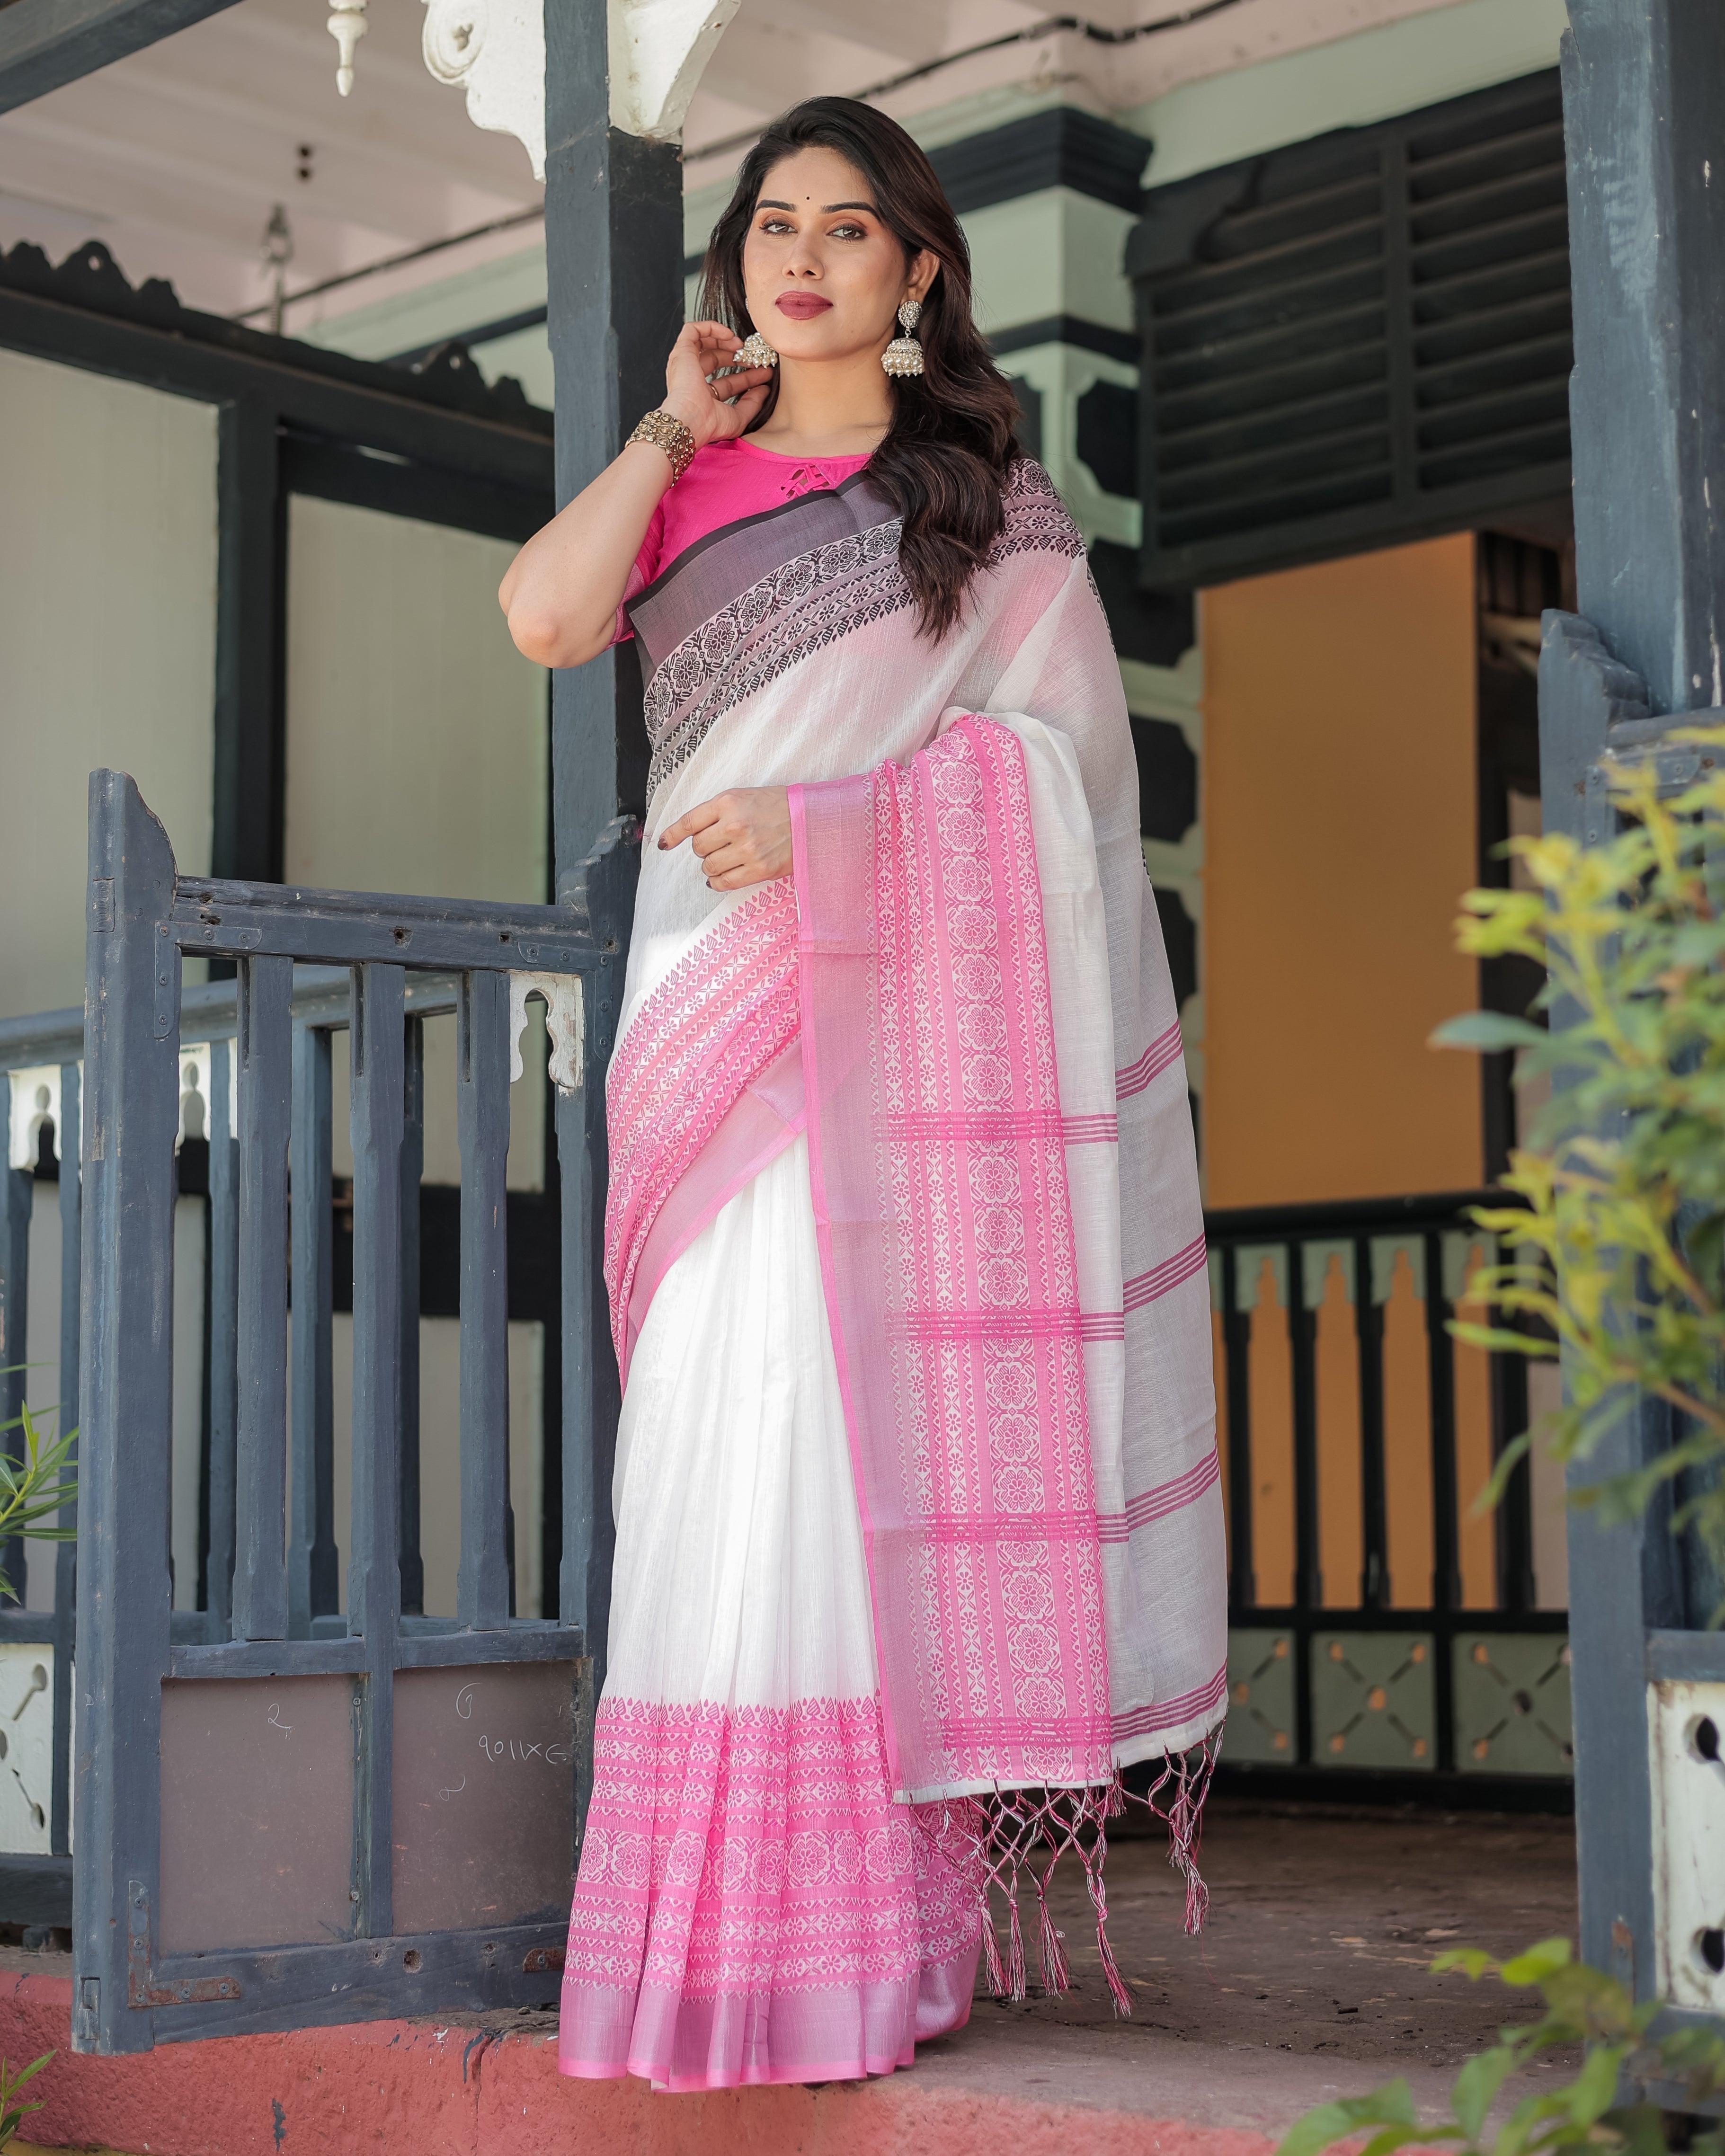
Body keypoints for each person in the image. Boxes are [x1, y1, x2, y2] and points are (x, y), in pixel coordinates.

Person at [499, 93, 1224, 2097]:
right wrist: (664, 427)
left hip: (880, 1049)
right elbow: (544, 621)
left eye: (846, 229)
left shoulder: (983, 508)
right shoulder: (694, 481)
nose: (798, 256)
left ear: (916, 276)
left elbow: (1074, 791)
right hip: (701, 1032)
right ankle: (703, 1937)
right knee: (705, 1470)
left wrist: (838, 825)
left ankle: (852, 1951)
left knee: (831, 1458)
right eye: (767, 225)